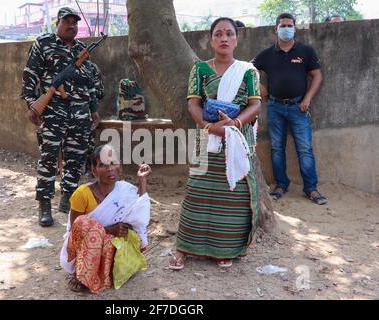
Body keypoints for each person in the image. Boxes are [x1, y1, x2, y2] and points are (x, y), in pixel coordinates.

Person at [169, 17, 262, 270]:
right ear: (210, 39)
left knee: (233, 196)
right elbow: (193, 104)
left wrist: (235, 125)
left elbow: (255, 104)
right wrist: (210, 127)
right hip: (207, 138)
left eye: (229, 34)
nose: (224, 38)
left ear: (236, 38)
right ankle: (184, 247)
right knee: (197, 192)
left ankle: (225, 248)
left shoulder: (248, 71)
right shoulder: (199, 69)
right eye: (218, 34)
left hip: (237, 139)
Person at [21, 7, 103, 227]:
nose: (71, 25)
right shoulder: (44, 43)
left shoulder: (82, 50)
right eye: (66, 21)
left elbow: (89, 83)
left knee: (75, 159)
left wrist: (93, 109)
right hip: (53, 112)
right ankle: (45, 204)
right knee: (48, 158)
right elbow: (30, 75)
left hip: (80, 114)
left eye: (75, 22)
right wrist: (32, 105)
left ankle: (68, 200)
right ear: (57, 23)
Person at [252, 13, 327, 205]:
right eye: (283, 25)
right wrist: (261, 88)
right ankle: (281, 185)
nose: (286, 28)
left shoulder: (305, 51)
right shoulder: (267, 54)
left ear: (294, 28)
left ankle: (311, 189)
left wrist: (307, 99)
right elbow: (248, 70)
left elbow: (317, 76)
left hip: (298, 107)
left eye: (290, 25)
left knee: (305, 149)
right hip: (275, 107)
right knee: (277, 148)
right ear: (275, 29)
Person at [60, 144, 152, 293]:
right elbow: (76, 229)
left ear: (119, 166)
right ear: (94, 170)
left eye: (113, 163)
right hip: (85, 244)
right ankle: (81, 273)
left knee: (114, 241)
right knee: (85, 224)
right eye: (102, 165)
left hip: (108, 242)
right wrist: (109, 230)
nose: (110, 169)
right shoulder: (82, 193)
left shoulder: (125, 190)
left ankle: (100, 275)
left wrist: (142, 181)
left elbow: (139, 215)